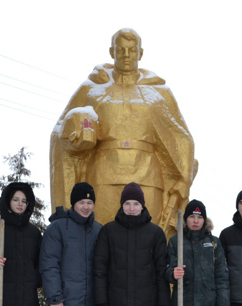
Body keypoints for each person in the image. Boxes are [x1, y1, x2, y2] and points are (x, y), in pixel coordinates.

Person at [50, 28, 197, 239]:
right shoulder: (92, 89)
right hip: (102, 178)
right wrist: (76, 137)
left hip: (148, 179)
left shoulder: (158, 93)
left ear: (141, 53)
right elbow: (59, 132)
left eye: (132, 50)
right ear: (112, 51)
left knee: (149, 240)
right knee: (102, 240)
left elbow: (182, 137)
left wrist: (184, 178)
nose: (126, 56)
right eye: (121, 50)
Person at [166, 200, 230, 306]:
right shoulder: (175, 241)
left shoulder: (214, 243)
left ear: (204, 220)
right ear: (185, 220)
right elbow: (166, 268)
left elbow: (222, 275)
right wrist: (173, 273)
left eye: (199, 217)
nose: (195, 221)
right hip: (182, 305)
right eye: (192, 217)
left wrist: (222, 305)